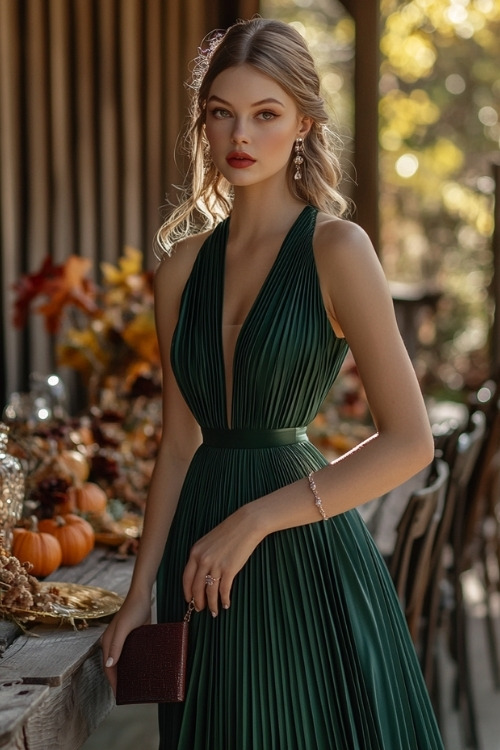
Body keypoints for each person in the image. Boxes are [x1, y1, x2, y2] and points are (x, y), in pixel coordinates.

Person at [101, 17, 444, 749]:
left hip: (295, 546)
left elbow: (412, 442)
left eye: (265, 114)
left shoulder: (337, 248)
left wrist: (256, 519)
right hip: (196, 560)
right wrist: (136, 598)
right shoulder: (181, 267)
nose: (239, 137)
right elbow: (178, 445)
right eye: (221, 113)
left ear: (303, 125)